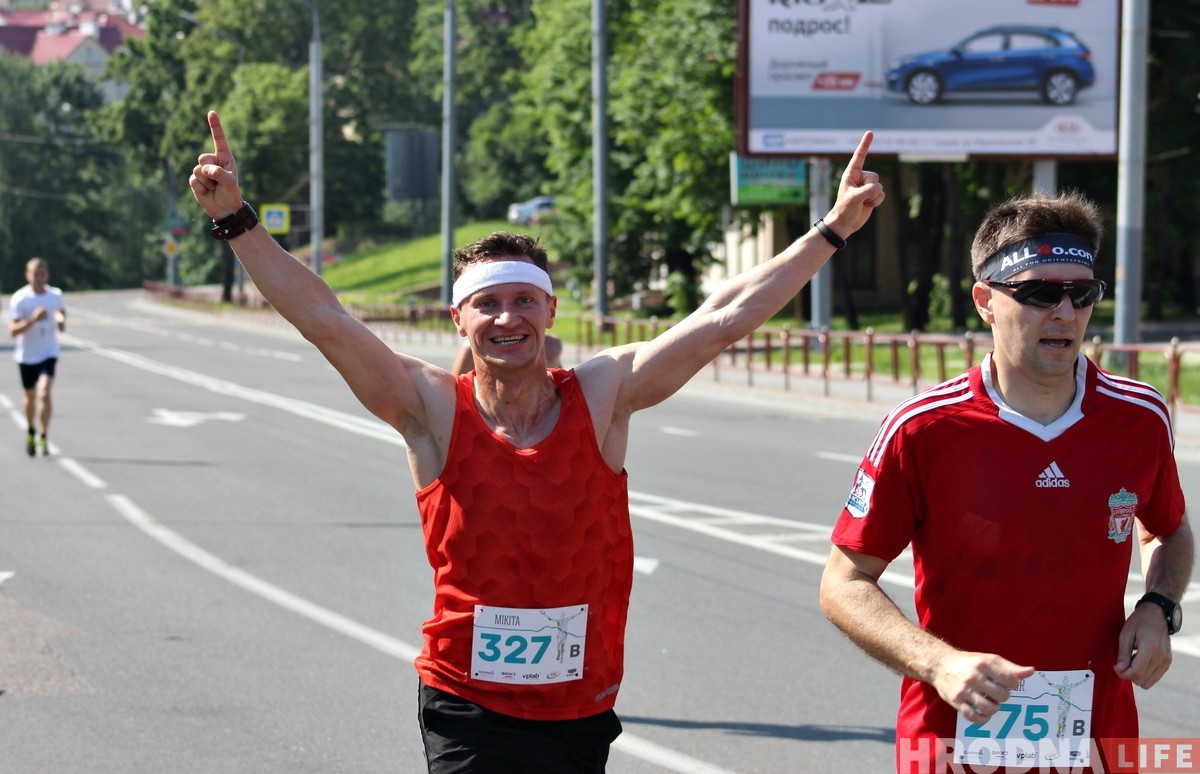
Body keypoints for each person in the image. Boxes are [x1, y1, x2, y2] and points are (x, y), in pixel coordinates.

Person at [190, 109, 884, 772]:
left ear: (550, 311)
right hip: (465, 701)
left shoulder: (603, 394)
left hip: (580, 705)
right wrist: (236, 220)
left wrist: (828, 231)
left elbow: (722, 319)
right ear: (458, 320)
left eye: (524, 300)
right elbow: (327, 321)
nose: (506, 317)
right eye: (487, 303)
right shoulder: (432, 407)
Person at [819, 192, 1195, 774]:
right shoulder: (922, 427)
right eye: (1040, 293)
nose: (1065, 313)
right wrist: (940, 664)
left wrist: (1157, 606)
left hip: (1098, 743)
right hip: (951, 745)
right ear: (985, 301)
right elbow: (844, 584)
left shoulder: (1140, 416)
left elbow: (1168, 532)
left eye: (1082, 293)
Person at [8, 257, 67, 457]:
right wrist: (33, 319)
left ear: (47, 275)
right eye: (35, 275)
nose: (39, 278)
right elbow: (13, 331)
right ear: (28, 276)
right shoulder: (20, 299)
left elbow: (61, 316)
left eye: (42, 274)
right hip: (26, 356)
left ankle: (44, 434)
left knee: (44, 393)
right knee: (30, 396)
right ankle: (31, 430)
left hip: (48, 353)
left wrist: (60, 320)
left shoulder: (55, 295)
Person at [450, 331, 562, 375]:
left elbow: (560, 384)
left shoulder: (552, 345)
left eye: (524, 301)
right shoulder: (472, 350)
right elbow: (457, 396)